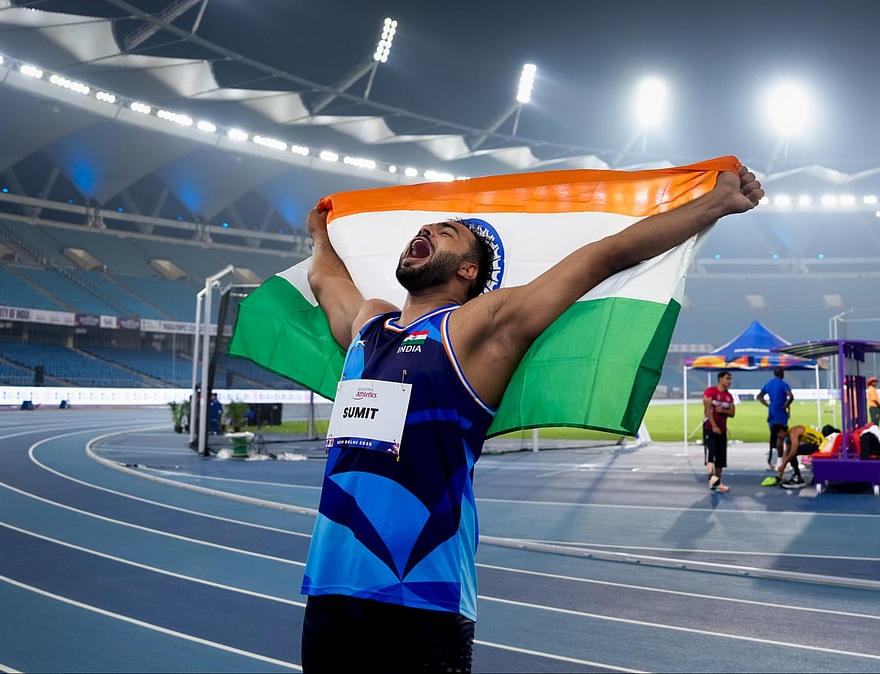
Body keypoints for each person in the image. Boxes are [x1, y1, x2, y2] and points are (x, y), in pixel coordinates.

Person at [299, 165, 764, 672]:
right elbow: (325, 277)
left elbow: (603, 257)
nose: (426, 231)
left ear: (467, 272)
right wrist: (321, 230)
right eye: (423, 229)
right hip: (330, 583)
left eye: (444, 232)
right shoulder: (370, 326)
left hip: (420, 589)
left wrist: (715, 202)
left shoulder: (478, 327)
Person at [773, 423, 837, 487]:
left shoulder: (793, 432)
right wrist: (780, 475)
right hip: (816, 445)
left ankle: (798, 477)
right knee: (790, 453)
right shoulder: (788, 437)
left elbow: (793, 452)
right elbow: (786, 453)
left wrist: (783, 465)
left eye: (779, 436)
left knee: (792, 452)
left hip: (821, 445)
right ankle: (797, 476)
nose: (779, 439)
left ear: (781, 431)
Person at [702, 370, 735, 492]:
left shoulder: (729, 396)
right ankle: (712, 477)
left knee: (721, 459)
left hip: (722, 430)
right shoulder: (710, 392)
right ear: (720, 379)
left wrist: (723, 411)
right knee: (711, 455)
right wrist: (714, 425)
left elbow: (732, 413)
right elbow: (708, 410)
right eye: (727, 378)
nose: (729, 381)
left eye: (730, 379)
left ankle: (718, 482)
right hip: (710, 429)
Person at [756, 367, 794, 469]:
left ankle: (771, 460)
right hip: (780, 411)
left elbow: (759, 396)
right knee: (780, 436)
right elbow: (791, 397)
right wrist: (786, 406)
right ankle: (780, 461)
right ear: (783, 374)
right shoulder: (783, 384)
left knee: (773, 435)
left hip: (771, 410)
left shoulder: (769, 384)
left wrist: (768, 405)